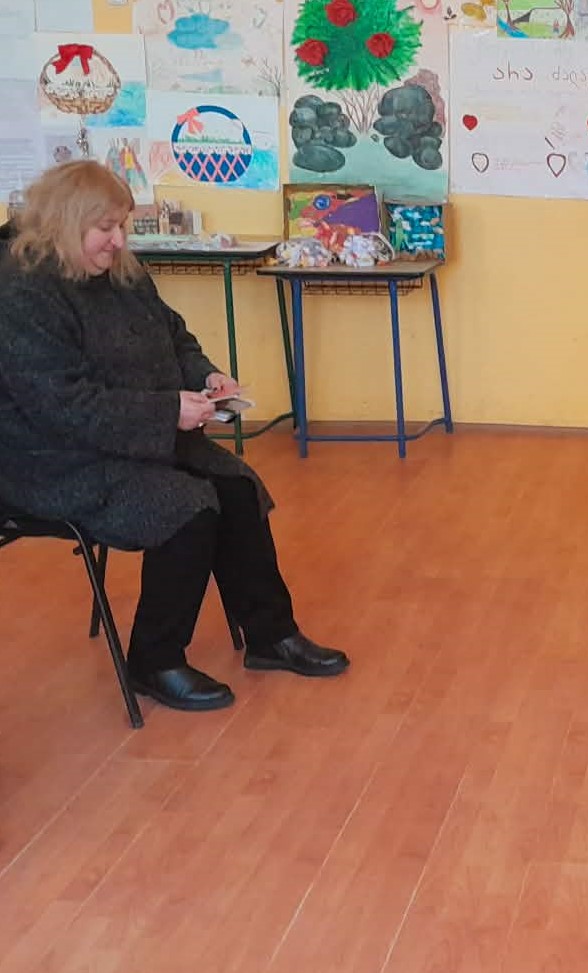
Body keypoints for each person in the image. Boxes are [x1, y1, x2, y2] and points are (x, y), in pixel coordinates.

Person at [0, 161, 348, 713]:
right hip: (53, 459)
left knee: (235, 486)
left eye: (122, 226)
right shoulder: (23, 293)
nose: (118, 241)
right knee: (185, 507)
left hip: (130, 435)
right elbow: (61, 405)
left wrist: (206, 378)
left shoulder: (121, 273)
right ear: (64, 224)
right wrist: (167, 412)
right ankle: (154, 660)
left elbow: (175, 337)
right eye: (105, 228)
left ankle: (271, 635)